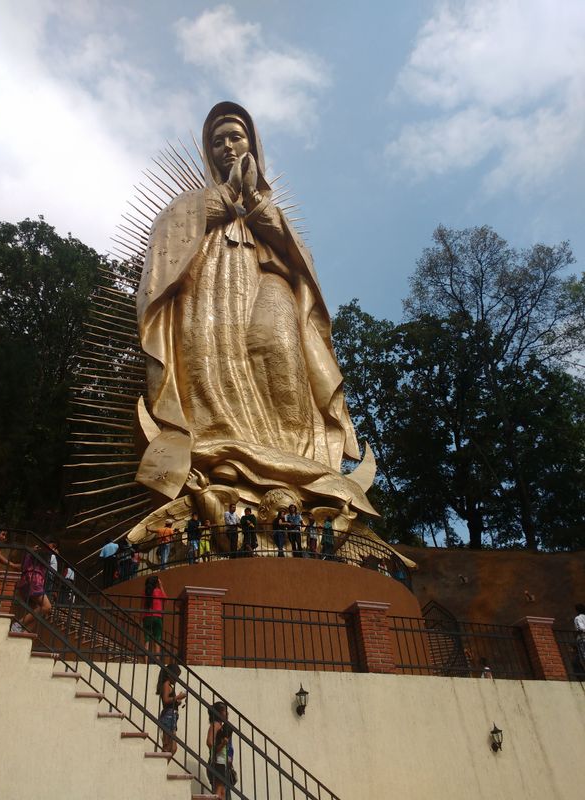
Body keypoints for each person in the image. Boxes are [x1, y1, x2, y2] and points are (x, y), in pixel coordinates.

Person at [136, 102, 377, 524]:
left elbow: (304, 269)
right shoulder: (192, 204)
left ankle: (296, 461)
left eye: (236, 137)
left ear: (253, 144)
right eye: (218, 141)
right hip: (207, 289)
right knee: (209, 359)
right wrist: (226, 197)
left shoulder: (272, 214)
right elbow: (166, 242)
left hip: (267, 284)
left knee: (282, 353)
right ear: (209, 152)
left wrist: (258, 207)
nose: (227, 147)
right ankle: (221, 452)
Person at [11, 538, 55, 633]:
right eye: (53, 546)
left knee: (36, 613)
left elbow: (23, 566)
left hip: (28, 581)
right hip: (34, 580)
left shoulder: (32, 552)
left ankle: (25, 634)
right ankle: (18, 625)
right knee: (47, 607)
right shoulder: (41, 552)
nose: (54, 549)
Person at [157, 663, 186, 755]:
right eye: (176, 676)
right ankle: (160, 767)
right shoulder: (166, 684)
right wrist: (178, 697)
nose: (177, 679)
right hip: (168, 717)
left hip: (172, 717)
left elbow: (169, 700)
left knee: (173, 748)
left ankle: (162, 766)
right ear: (170, 675)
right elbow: (165, 700)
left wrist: (177, 701)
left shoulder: (169, 686)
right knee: (168, 747)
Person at [206, 701, 232, 800]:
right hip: (216, 762)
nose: (227, 713)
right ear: (219, 713)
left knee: (222, 793)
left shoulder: (220, 726)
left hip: (221, 762)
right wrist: (223, 744)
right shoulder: (215, 725)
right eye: (225, 711)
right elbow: (209, 743)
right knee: (218, 792)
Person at [142, 575, 167, 661]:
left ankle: (145, 662)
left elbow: (142, 605)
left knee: (146, 640)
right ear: (156, 583)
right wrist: (161, 586)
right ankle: (157, 661)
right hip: (157, 617)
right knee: (157, 639)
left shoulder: (146, 592)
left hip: (147, 617)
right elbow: (165, 599)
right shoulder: (158, 591)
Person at [574, 603, 585, 672]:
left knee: (584, 656)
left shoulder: (578, 618)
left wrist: (576, 635)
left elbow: (580, 628)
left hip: (583, 638)